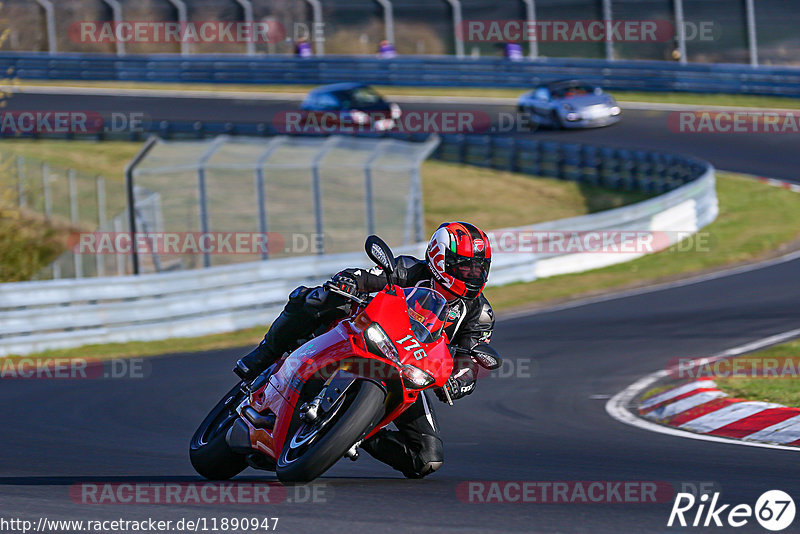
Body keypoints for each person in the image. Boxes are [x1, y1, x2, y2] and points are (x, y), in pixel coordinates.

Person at [233, 221, 496, 479]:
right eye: (465, 266)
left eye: (479, 268)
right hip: (364, 333)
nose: (473, 274)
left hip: (407, 369)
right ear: (441, 261)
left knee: (427, 459)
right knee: (317, 298)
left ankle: (356, 429)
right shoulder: (408, 270)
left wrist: (459, 381)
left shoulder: (479, 313)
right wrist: (349, 282)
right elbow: (365, 276)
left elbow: (471, 357)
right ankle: (265, 354)